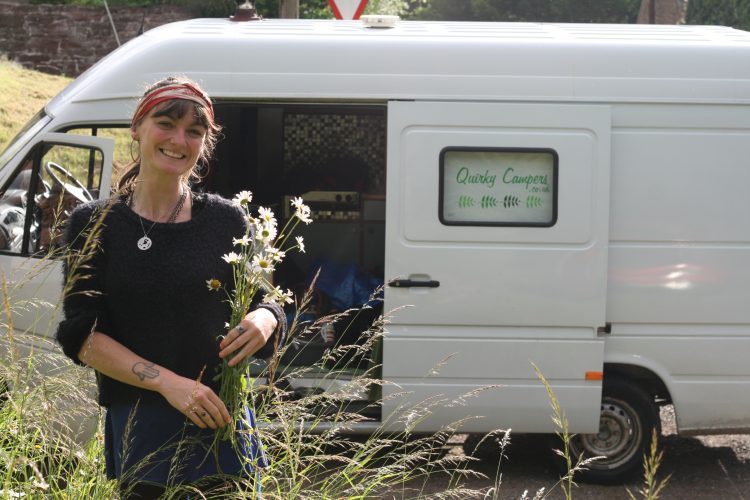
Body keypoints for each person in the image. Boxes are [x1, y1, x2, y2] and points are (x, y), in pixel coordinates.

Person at [55, 76, 287, 498]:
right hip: (143, 429)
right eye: (166, 123)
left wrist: (265, 319)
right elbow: (83, 338)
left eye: (194, 132)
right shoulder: (93, 224)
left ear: (204, 143)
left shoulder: (228, 221)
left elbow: (267, 300)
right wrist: (169, 384)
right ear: (137, 127)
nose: (179, 140)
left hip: (223, 423)